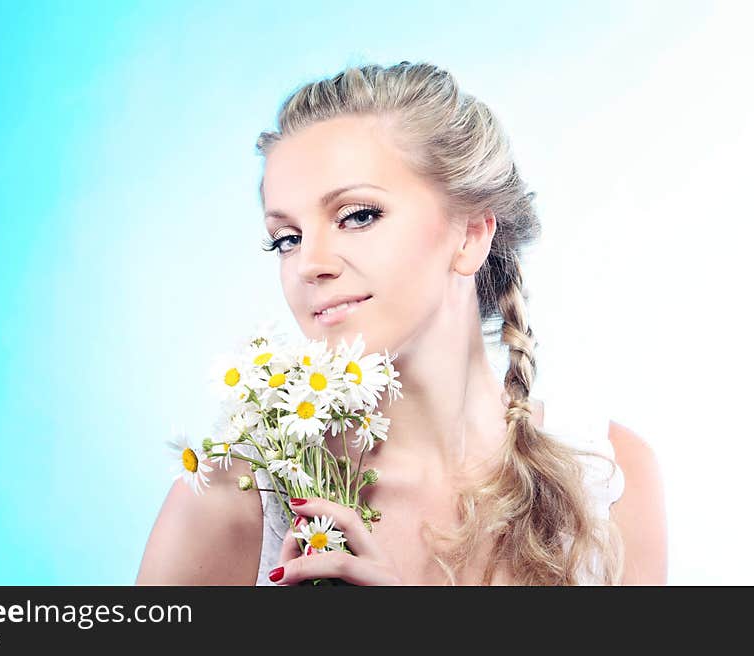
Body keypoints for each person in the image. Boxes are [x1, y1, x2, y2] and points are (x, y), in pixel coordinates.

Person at [136, 61, 667, 585]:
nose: (307, 264)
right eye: (287, 238)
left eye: (358, 215)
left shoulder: (609, 479)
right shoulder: (237, 496)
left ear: (470, 236)